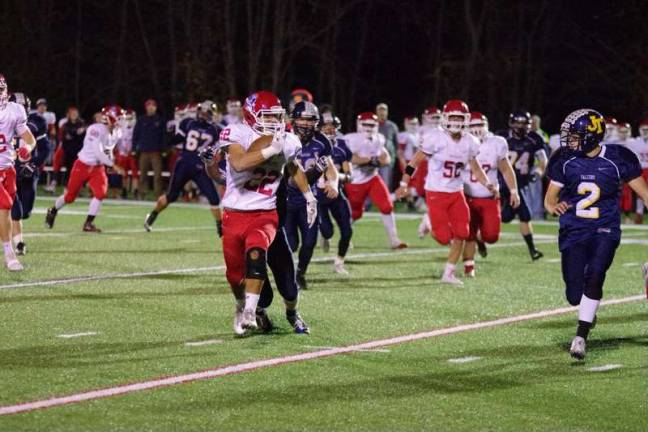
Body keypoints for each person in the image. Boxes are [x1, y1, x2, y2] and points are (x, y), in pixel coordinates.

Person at [544, 109, 648, 360]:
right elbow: (549, 200)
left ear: (592, 136)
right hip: (573, 230)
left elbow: (644, 193)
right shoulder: (564, 159)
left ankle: (580, 336)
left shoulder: (618, 158)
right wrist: (552, 207)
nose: (569, 140)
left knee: (596, 274)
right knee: (573, 295)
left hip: (605, 228)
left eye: (575, 135)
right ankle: (587, 312)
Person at [218, 90, 316, 335]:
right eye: (268, 116)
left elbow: (293, 166)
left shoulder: (289, 140)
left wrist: (309, 196)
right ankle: (251, 308)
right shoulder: (237, 132)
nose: (274, 122)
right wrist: (270, 151)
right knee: (235, 276)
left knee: (285, 282)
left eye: (277, 116)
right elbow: (239, 163)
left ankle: (289, 313)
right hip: (235, 213)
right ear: (251, 115)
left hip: (266, 215)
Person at [397, 100, 495, 285]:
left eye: (460, 117)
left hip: (457, 193)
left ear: (466, 119)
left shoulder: (470, 141)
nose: (457, 121)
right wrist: (404, 183)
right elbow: (413, 162)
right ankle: (429, 221)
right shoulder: (435, 137)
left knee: (463, 232)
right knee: (443, 238)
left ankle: (448, 273)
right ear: (445, 118)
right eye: (453, 117)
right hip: (436, 192)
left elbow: (476, 167)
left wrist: (488, 184)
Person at [144, 100, 222, 233]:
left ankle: (221, 228)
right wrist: (169, 135)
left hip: (197, 166)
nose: (202, 114)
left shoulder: (211, 128)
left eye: (205, 112)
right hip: (186, 163)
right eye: (201, 111)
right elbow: (177, 140)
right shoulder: (196, 124)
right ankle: (152, 216)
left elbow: (219, 149)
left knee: (214, 198)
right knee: (171, 196)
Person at [45, 106, 125, 233]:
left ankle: (88, 224)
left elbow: (108, 149)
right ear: (111, 118)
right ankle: (53, 210)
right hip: (83, 165)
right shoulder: (95, 129)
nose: (121, 121)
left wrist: (111, 161)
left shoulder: (115, 132)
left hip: (97, 168)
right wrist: (112, 165)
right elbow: (97, 152)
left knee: (101, 193)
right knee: (70, 197)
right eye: (119, 118)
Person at [284, 101, 338, 289]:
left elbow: (330, 168)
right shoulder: (284, 138)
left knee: (309, 242)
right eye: (302, 119)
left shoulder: (322, 141)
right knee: (291, 243)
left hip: (310, 199)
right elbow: (292, 179)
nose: (306, 124)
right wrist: (316, 172)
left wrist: (333, 182)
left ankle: (300, 274)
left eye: (310, 120)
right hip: (286, 198)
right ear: (294, 119)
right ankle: (288, 274)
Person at [462, 112, 519, 277]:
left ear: (487, 126)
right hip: (467, 196)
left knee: (492, 236)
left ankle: (482, 239)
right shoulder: (460, 144)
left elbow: (506, 168)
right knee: (468, 233)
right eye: (473, 126)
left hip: (490, 197)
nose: (477, 129)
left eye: (480, 125)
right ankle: (469, 267)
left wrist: (514, 191)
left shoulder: (497, 143)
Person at [344, 112, 407, 249]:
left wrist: (378, 161)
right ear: (359, 125)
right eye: (365, 124)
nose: (368, 127)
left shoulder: (379, 138)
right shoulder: (351, 139)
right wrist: (370, 160)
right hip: (355, 181)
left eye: (371, 125)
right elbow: (350, 158)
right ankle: (345, 236)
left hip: (372, 178)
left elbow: (387, 158)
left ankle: (394, 240)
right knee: (356, 213)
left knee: (386, 205)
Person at [498, 110, 547, 260]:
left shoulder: (534, 139)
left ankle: (532, 251)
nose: (520, 126)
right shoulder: (501, 137)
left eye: (523, 123)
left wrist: (538, 172)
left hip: (522, 183)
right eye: (517, 123)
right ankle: (532, 251)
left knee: (508, 216)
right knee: (524, 214)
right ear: (511, 123)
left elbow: (544, 161)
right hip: (503, 182)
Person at [0, 75, 36, 271]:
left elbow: (30, 139)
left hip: (9, 168)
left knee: (9, 204)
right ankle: (9, 254)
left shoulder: (15, 110)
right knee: (5, 206)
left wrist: (27, 149)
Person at [9, 93, 50, 256]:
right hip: (8, 169)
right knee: (14, 208)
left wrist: (33, 163)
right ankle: (18, 243)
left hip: (28, 170)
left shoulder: (37, 122)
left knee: (25, 211)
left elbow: (45, 147)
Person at [318, 109, 354, 274]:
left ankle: (339, 262)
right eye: (325, 126)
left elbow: (349, 175)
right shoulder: (313, 146)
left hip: (336, 193)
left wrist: (334, 179)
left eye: (332, 126)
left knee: (347, 230)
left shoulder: (341, 147)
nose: (329, 129)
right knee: (328, 231)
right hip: (318, 197)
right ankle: (324, 236)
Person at [133, 98, 165, 198]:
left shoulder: (160, 120)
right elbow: (135, 135)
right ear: (146, 108)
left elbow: (163, 136)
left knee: (158, 175)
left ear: (155, 108)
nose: (151, 108)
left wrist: (164, 149)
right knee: (142, 174)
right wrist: (134, 148)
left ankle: (158, 194)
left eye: (153, 106)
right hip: (144, 151)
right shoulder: (141, 120)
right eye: (148, 106)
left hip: (156, 152)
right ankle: (141, 194)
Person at [397, 116, 421, 210]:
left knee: (417, 183)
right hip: (407, 161)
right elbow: (400, 152)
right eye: (411, 124)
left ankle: (412, 203)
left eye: (415, 123)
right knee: (407, 182)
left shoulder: (420, 135)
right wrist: (404, 164)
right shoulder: (404, 135)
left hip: (418, 162)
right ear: (406, 124)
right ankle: (409, 202)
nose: (413, 126)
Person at [375, 102, 399, 191]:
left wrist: (396, 158)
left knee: (386, 182)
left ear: (387, 112)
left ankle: (385, 202)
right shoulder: (372, 124)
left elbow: (397, 144)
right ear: (376, 111)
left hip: (388, 159)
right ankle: (369, 203)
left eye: (384, 110)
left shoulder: (392, 126)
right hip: (373, 159)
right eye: (380, 110)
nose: (382, 112)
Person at [628, 119, 648, 223]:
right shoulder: (634, 142)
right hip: (640, 170)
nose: (645, 132)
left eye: (647, 130)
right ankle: (639, 213)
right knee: (640, 193)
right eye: (643, 130)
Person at [116, 108, 139, 198]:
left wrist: (134, 149)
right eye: (127, 118)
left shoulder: (136, 126)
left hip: (132, 153)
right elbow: (118, 140)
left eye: (130, 118)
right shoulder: (121, 127)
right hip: (123, 153)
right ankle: (124, 190)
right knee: (123, 173)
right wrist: (120, 149)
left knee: (135, 173)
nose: (128, 120)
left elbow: (137, 140)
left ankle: (135, 191)